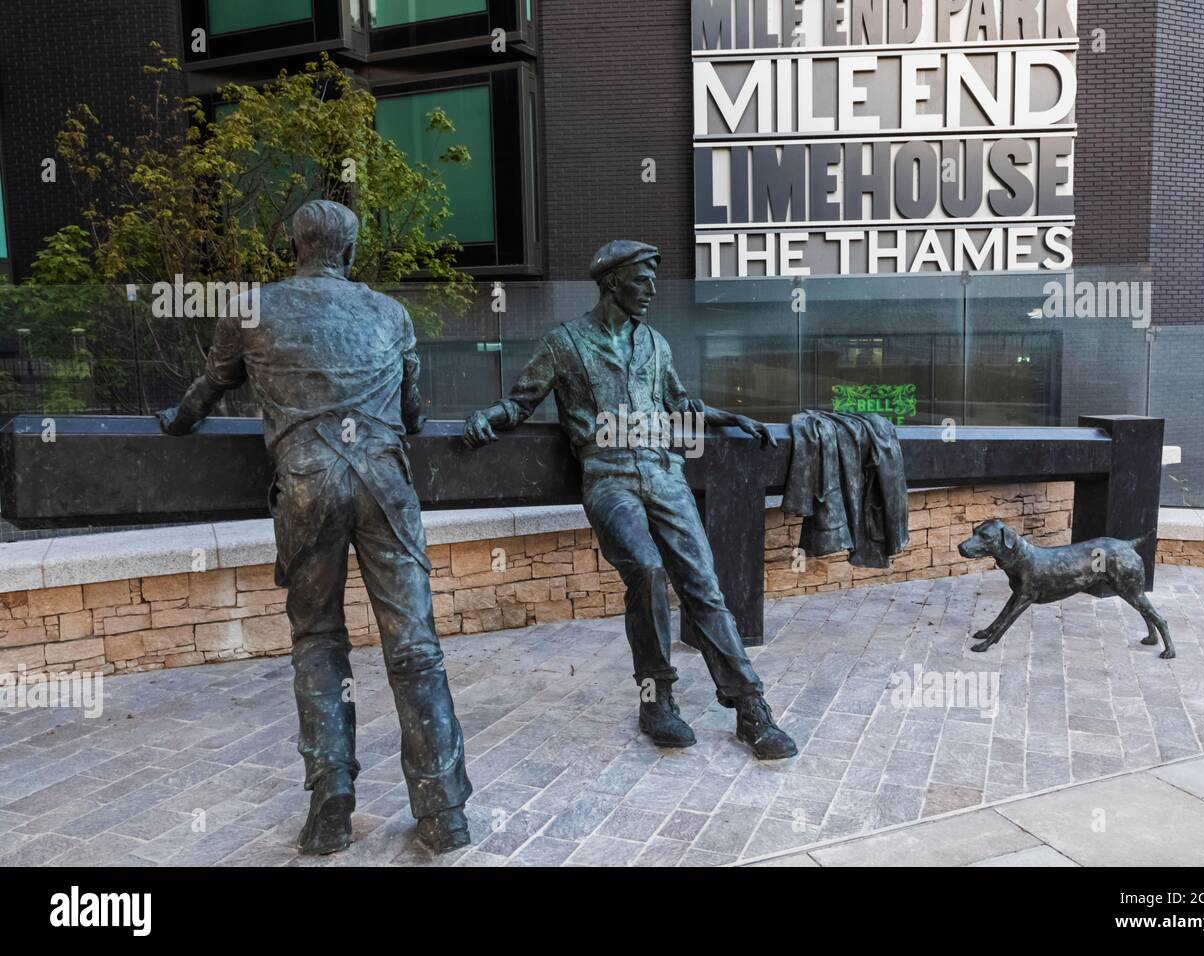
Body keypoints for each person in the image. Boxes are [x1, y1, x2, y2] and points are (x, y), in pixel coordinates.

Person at [157, 200, 472, 855]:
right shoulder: (389, 312)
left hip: (306, 480)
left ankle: (330, 805)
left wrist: (176, 422)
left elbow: (207, 389)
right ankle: (444, 814)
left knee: (319, 642)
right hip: (384, 480)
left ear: (295, 247)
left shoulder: (253, 308)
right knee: (415, 649)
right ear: (349, 252)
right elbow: (413, 412)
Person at [464, 240, 797, 759]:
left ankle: (750, 707)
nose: (652, 289)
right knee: (644, 568)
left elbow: (678, 403)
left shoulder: (657, 345)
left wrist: (731, 418)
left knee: (703, 586)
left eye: (654, 279)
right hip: (609, 478)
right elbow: (521, 400)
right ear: (612, 282)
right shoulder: (565, 343)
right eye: (642, 279)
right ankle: (657, 698)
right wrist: (490, 416)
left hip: (665, 474)